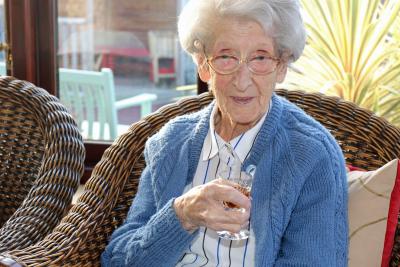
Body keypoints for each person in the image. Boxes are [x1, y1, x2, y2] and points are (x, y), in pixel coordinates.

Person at [101, 0, 348, 266]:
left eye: (261, 57)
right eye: (226, 57)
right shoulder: (170, 143)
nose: (242, 81)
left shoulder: (312, 154)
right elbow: (117, 260)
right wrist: (182, 214)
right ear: (203, 65)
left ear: (282, 66)